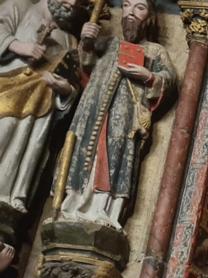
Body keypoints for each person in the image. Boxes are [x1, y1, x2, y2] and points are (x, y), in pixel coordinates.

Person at [58, 0, 175, 229]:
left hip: (125, 119)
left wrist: (148, 76)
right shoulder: (107, 43)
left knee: (116, 158)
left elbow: (169, 81)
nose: (131, 12)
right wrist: (87, 41)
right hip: (90, 113)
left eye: (139, 8)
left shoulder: (154, 50)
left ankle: (105, 209)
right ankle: (72, 205)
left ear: (149, 17)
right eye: (127, 6)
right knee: (82, 153)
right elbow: (85, 65)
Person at [0, 0, 86, 215]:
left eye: (79, 1)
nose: (71, 2)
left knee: (26, 149)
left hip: (40, 109)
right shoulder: (18, 6)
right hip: (6, 91)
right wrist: (16, 45)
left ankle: (10, 197)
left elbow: (72, 86)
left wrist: (62, 87)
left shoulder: (69, 39)